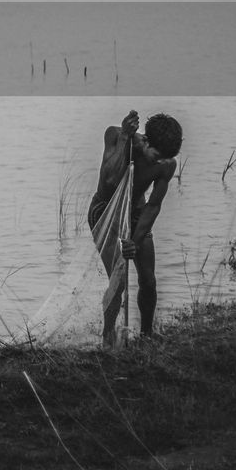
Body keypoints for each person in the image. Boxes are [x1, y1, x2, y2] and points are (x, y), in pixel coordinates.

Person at [88, 109, 182, 344]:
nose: (159, 161)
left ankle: (146, 336)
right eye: (156, 155)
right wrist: (123, 140)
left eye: (165, 158)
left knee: (148, 280)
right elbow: (109, 179)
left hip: (136, 211)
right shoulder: (116, 136)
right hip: (105, 211)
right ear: (146, 141)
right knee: (117, 282)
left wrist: (135, 241)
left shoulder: (167, 164)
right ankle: (108, 340)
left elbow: (153, 206)